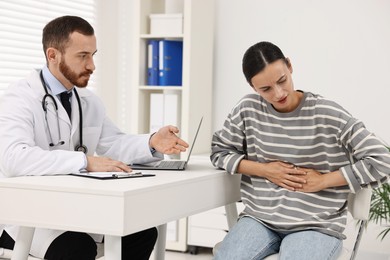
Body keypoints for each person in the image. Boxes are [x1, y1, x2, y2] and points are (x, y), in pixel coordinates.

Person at [0, 16, 189, 260]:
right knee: (76, 248)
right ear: (52, 55)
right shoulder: (19, 98)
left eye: (93, 55)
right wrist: (84, 161)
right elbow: (13, 159)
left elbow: (114, 143)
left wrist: (151, 141)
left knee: (142, 232)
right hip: (25, 214)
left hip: (73, 207)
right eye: (83, 56)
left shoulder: (87, 100)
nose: (92, 65)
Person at [211, 41, 390, 260]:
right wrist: (264, 170)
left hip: (315, 225)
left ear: (289, 66)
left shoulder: (328, 113)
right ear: (252, 87)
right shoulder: (247, 109)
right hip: (259, 219)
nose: (278, 93)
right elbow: (219, 152)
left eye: (282, 80)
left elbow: (382, 160)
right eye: (265, 89)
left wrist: (324, 180)